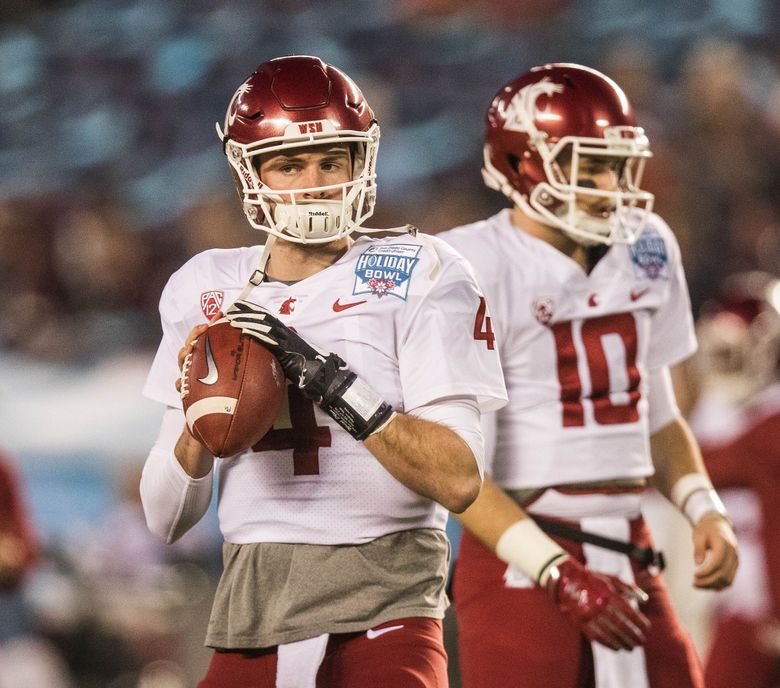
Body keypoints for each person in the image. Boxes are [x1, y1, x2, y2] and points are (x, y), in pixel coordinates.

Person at [139, 55, 506, 688]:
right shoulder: (206, 285)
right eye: (288, 164)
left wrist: (327, 380)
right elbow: (165, 517)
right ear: (249, 171)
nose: (314, 182)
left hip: (384, 612)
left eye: (330, 160)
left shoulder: (420, 270)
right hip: (251, 617)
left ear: (359, 164)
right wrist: (202, 420)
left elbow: (457, 479)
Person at [438, 63, 738, 688]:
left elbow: (659, 416)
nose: (612, 188)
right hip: (521, 548)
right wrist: (556, 571)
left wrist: (704, 508)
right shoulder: (468, 265)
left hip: (628, 538)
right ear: (523, 165)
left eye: (617, 167)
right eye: (589, 168)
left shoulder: (647, 245)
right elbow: (464, 474)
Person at [684, 272, 780, 688]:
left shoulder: (769, 424)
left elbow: (699, 467)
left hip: (755, 598)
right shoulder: (716, 407)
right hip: (721, 590)